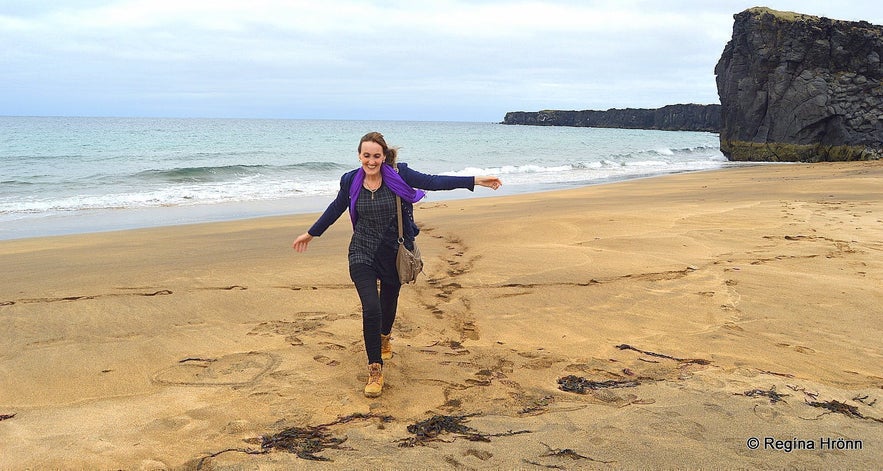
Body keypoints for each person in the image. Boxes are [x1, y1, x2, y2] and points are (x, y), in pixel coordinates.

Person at [292, 132, 502, 398]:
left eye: (376, 156)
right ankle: (375, 369)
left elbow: (434, 182)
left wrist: (476, 180)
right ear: (359, 156)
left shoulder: (399, 174)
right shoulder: (350, 181)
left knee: (387, 306)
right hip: (362, 251)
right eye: (366, 156)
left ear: (383, 156)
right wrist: (311, 234)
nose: (371, 161)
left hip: (394, 252)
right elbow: (336, 208)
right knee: (371, 308)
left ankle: (384, 336)